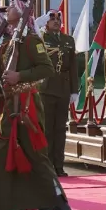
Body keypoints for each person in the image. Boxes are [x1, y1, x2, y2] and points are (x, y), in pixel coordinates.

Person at [0, 0, 76, 210]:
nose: (6, 13)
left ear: (20, 13)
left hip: (26, 108)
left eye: (10, 10)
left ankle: (62, 208)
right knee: (1, 156)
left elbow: (46, 68)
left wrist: (20, 76)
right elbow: (6, 78)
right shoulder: (14, 41)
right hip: (11, 107)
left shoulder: (30, 41)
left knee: (38, 159)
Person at [37, 9, 79, 177]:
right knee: (47, 129)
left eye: (58, 18)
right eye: (52, 18)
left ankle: (59, 166)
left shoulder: (68, 40)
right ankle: (47, 166)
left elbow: (73, 67)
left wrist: (74, 90)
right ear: (46, 22)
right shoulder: (41, 38)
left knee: (60, 129)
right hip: (46, 88)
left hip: (63, 88)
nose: (56, 21)